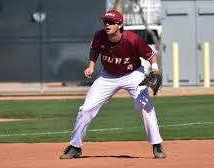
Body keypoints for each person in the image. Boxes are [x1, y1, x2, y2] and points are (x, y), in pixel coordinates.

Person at [60, 9, 165, 159]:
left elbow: (152, 55)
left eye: (111, 22)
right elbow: (94, 49)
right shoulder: (99, 36)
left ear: (120, 24)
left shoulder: (132, 39)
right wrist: (91, 65)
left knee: (144, 105)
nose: (107, 24)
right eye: (105, 22)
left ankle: (157, 145)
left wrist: (154, 69)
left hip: (132, 74)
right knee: (86, 109)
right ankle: (75, 146)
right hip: (108, 76)